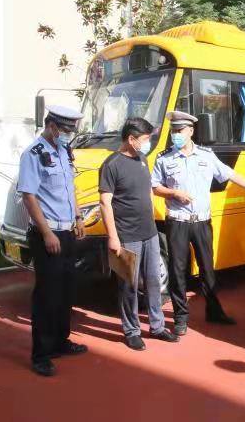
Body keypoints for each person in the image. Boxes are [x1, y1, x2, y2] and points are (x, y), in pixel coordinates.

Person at [151, 111, 245, 335]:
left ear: (191, 131)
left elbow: (229, 174)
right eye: (173, 131)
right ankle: (180, 317)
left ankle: (214, 311)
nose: (175, 135)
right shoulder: (164, 158)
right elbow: (155, 187)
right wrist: (174, 193)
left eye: (180, 131)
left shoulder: (206, 156)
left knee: (208, 269)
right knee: (177, 271)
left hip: (201, 222)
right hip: (177, 222)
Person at [17, 105, 87, 377]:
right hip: (48, 234)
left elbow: (71, 188)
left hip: (68, 231)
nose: (70, 134)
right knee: (47, 295)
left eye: (72, 129)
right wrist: (46, 233)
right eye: (66, 130)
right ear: (52, 127)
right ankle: (41, 354)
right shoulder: (32, 154)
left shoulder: (62, 151)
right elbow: (29, 196)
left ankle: (61, 340)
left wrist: (79, 216)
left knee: (66, 290)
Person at [99, 117, 179, 351]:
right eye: (145, 139)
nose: (147, 143)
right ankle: (131, 330)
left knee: (154, 281)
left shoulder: (142, 159)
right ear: (131, 139)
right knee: (128, 286)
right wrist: (113, 237)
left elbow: (148, 193)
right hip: (126, 236)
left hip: (150, 233)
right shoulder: (111, 165)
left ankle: (157, 326)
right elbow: (105, 203)